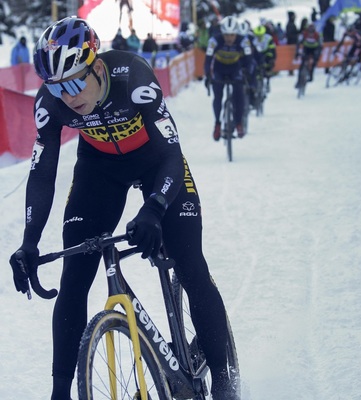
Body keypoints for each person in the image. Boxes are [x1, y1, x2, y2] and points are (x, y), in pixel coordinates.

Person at [9, 16, 238, 400]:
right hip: (100, 172)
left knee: (191, 265)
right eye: (57, 86)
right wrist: (29, 243)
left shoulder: (133, 77)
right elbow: (42, 172)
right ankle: (60, 392)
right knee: (74, 279)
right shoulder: (51, 103)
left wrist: (155, 207)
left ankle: (226, 384)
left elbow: (170, 153)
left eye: (75, 81)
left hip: (156, 164)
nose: (68, 96)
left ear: (97, 67)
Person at [204, 15, 253, 141]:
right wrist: (208, 75)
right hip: (219, 69)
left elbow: (249, 59)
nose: (229, 38)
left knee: (239, 95)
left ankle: (238, 123)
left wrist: (248, 73)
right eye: (226, 35)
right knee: (218, 96)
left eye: (232, 35)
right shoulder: (214, 40)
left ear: (237, 33)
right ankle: (217, 124)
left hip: (234, 69)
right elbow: (208, 60)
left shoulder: (243, 41)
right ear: (222, 33)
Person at [295, 23, 322, 87]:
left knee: (313, 63)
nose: (310, 34)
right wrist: (297, 53)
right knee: (302, 65)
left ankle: (311, 76)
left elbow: (320, 45)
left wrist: (317, 55)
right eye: (309, 32)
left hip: (314, 49)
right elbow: (298, 43)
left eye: (312, 32)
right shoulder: (304, 34)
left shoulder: (317, 35)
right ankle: (299, 81)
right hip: (306, 49)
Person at [251, 25, 276, 93]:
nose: (259, 37)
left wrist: (271, 59)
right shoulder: (252, 39)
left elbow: (272, 50)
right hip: (256, 54)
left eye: (260, 35)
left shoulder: (268, 38)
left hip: (266, 53)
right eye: (257, 35)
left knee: (268, 62)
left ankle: (267, 80)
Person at [285, 11, 298, 75]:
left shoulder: (292, 24)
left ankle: (291, 70)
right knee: (291, 57)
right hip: (291, 44)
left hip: (292, 43)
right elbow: (290, 35)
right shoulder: (290, 24)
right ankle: (290, 70)